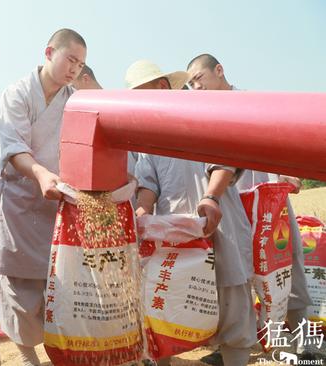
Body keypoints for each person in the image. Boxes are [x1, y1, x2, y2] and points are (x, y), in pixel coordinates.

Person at [187, 53, 317, 362]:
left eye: (199, 79)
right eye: (191, 84)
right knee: (237, 274)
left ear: (219, 71)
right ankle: (235, 346)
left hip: (270, 201)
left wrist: (287, 170)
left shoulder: (251, 101)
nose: (196, 87)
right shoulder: (202, 115)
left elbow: (281, 139)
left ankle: (305, 345)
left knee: (287, 267)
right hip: (233, 205)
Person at [127, 60, 256, 366]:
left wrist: (211, 196)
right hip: (176, 235)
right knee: (167, 304)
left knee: (232, 306)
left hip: (217, 220)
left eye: (143, 94)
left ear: (161, 87)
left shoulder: (205, 112)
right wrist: (143, 210)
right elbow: (149, 183)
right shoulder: (150, 135)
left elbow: (228, 159)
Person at [0, 28, 86, 365]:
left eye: (80, 63)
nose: (74, 68)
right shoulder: (17, 93)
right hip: (19, 202)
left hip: (57, 203)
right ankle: (29, 357)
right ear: (48, 52)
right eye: (70, 58)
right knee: (19, 289)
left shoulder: (75, 100)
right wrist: (42, 174)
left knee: (61, 288)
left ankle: (61, 354)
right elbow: (14, 148)